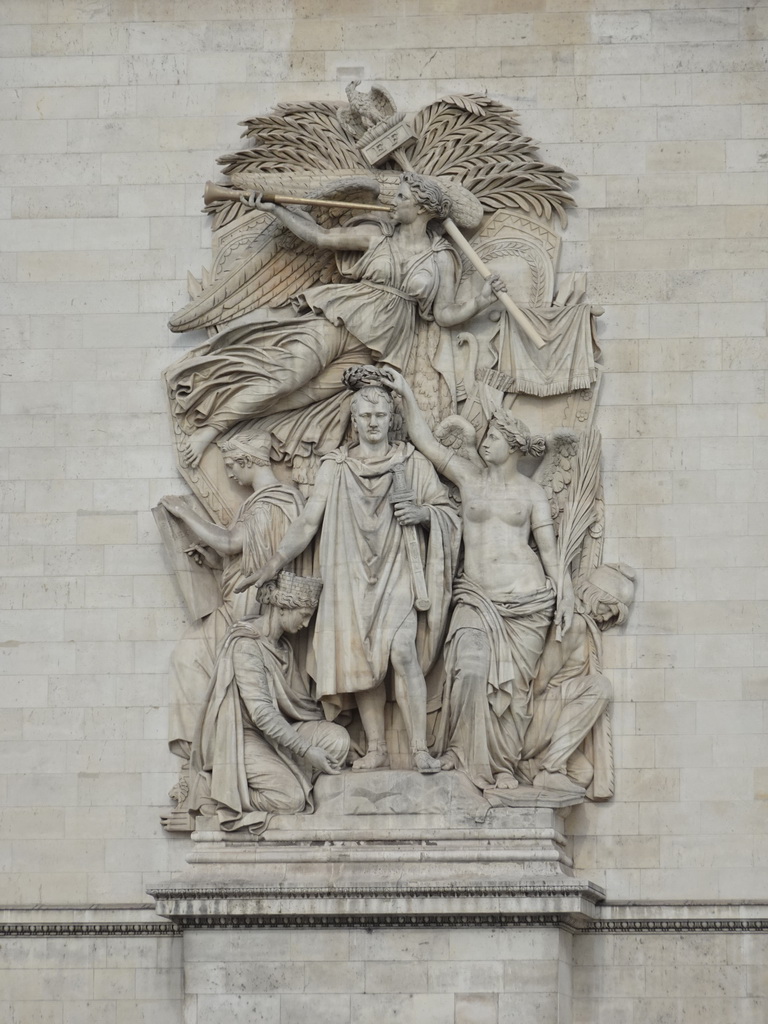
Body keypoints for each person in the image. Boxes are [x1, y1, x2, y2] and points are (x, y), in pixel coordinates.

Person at [166, 172, 505, 467]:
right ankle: (210, 430)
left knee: (304, 395)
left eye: (401, 197)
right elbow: (320, 237)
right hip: (341, 319)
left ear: (422, 207)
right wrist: (277, 209)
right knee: (285, 378)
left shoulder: (441, 257)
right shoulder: (376, 235)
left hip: (377, 349)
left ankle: (236, 427)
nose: (394, 201)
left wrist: (480, 300)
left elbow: (444, 315)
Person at [237, 371, 460, 774]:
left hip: (397, 570)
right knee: (362, 660)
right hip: (350, 574)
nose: (373, 422)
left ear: (391, 418)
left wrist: (424, 514)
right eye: (365, 415)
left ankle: (420, 749)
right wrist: (273, 563)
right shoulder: (335, 466)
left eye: (380, 414)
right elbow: (307, 522)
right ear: (354, 421)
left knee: (401, 650)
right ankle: (375, 747)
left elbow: (447, 511)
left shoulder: (413, 463)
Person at [381, 368, 574, 793]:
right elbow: (427, 443)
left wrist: (567, 594)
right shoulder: (468, 479)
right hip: (475, 597)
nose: (485, 441)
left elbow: (549, 553)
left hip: (526, 602)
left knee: (511, 693)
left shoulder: (531, 493)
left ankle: (504, 764)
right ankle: (460, 752)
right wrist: (406, 394)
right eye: (485, 436)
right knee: (468, 668)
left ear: (514, 447)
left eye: (494, 437)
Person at [160, 429, 305, 767]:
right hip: (244, 597)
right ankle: (210, 747)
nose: (228, 473)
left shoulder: (271, 502)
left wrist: (184, 514)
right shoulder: (268, 502)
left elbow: (230, 542)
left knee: (189, 656)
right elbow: (240, 555)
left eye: (231, 465)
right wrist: (211, 562)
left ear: (247, 461)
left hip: (250, 604)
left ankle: (210, 749)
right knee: (194, 658)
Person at [189, 571, 350, 834]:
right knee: (291, 799)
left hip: (277, 734)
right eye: (304, 614)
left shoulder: (283, 648)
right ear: (284, 607)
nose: (306, 624)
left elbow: (298, 708)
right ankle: (221, 795)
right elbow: (262, 714)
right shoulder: (246, 646)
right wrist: (307, 750)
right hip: (244, 738)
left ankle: (291, 774)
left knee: (338, 740)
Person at [519, 563, 635, 797]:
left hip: (548, 720)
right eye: (608, 607)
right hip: (533, 718)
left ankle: (525, 766)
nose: (608, 616)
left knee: (583, 774)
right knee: (599, 687)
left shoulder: (585, 625)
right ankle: (549, 768)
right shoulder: (575, 625)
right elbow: (540, 680)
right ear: (594, 595)